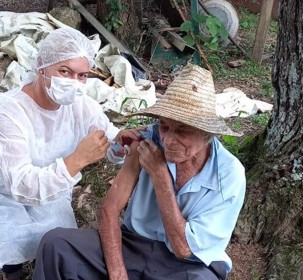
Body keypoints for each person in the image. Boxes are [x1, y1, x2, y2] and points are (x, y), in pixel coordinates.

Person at [0, 27, 140, 280]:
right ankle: (13, 272)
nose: (73, 82)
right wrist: (79, 159)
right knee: (11, 241)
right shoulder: (10, 111)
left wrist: (119, 143)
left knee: (56, 241)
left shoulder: (81, 104)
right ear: (41, 66)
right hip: (2, 192)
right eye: (64, 71)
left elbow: (108, 137)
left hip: (52, 189)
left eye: (82, 75)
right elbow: (18, 184)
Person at [33, 63, 247, 280]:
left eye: (182, 130)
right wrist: (117, 273)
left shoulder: (228, 174)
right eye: (164, 126)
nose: (168, 140)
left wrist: (160, 174)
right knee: (56, 245)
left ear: (206, 134)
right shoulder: (149, 140)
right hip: (133, 246)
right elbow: (109, 209)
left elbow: (184, 249)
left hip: (186, 265)